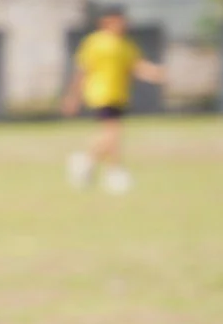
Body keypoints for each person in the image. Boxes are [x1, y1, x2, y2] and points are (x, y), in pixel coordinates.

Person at [63, 10, 165, 194]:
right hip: (100, 93)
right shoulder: (95, 43)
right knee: (113, 131)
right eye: (118, 21)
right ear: (106, 22)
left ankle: (87, 161)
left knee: (110, 133)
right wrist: (73, 96)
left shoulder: (125, 45)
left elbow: (136, 66)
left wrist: (155, 73)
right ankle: (113, 171)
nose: (122, 25)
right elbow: (83, 70)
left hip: (118, 94)